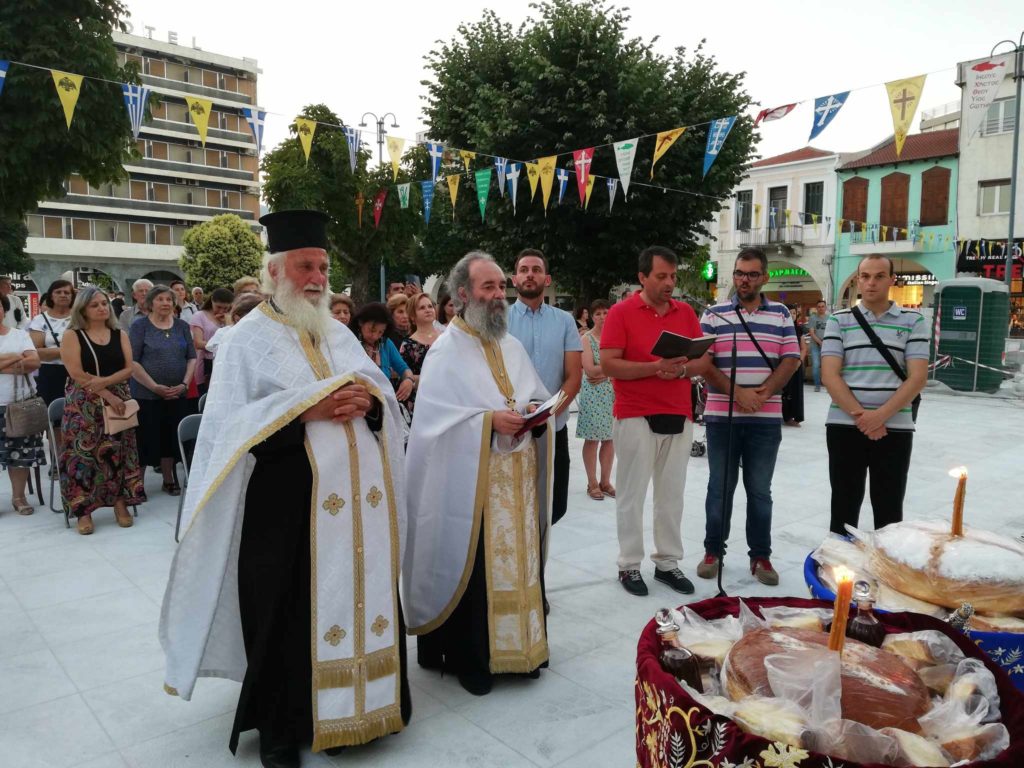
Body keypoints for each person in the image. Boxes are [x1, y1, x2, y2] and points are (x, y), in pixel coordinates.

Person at [160, 210, 410, 768]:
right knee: (284, 612)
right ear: (275, 271)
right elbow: (230, 429)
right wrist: (307, 410)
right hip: (285, 506)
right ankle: (280, 727)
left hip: (357, 509)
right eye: (306, 266)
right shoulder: (245, 340)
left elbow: (380, 395)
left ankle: (356, 715)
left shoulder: (338, 331)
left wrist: (369, 403)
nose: (318, 277)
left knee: (356, 601)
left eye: (322, 266)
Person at [404, 252, 552, 697]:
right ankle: (473, 658)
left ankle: (521, 651)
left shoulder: (510, 344)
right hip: (472, 486)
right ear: (462, 295)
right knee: (476, 568)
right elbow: (433, 425)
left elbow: (532, 393)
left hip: (517, 479)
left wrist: (532, 411)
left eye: (500, 287)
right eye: (488, 288)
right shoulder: (445, 351)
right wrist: (488, 422)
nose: (498, 296)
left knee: (517, 563)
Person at [600, 246, 711, 597]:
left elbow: (703, 360)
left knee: (671, 495)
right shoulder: (621, 312)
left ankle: (667, 563)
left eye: (673, 276)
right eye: (661, 276)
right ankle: (629, 565)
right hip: (635, 413)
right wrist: (654, 368)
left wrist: (680, 369)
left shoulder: (686, 312)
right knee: (631, 495)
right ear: (642, 277)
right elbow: (609, 364)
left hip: (678, 412)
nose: (669, 283)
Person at [696, 248, 802, 587]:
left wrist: (765, 391)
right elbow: (703, 364)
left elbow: (791, 360)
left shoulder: (782, 314)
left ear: (765, 277)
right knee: (719, 487)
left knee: (759, 490)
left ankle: (761, 555)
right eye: (740, 273)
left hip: (765, 417)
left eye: (752, 274)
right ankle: (713, 552)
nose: (745, 279)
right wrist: (737, 393)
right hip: (721, 415)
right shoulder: (714, 314)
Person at [822, 254, 929, 535]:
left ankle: (887, 574)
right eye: (865, 276)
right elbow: (830, 375)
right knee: (843, 506)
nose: (871, 283)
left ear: (891, 280)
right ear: (858, 280)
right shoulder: (839, 321)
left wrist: (879, 417)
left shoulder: (913, 321)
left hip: (894, 427)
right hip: (845, 425)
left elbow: (917, 377)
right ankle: (840, 572)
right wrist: (863, 418)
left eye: (879, 276)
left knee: (889, 510)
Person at [59, 287, 145, 534]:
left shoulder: (119, 334)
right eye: (95, 305)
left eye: (104, 304)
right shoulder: (72, 335)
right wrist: (105, 392)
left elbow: (129, 368)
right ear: (83, 309)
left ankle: (120, 503)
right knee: (82, 455)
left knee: (118, 450)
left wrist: (106, 385)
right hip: (84, 403)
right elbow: (75, 372)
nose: (101, 308)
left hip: (118, 399)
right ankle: (82, 510)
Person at [508, 248, 582, 530]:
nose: (530, 274)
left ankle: (538, 561)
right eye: (524, 269)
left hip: (554, 427)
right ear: (515, 278)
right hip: (512, 429)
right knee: (513, 503)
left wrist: (548, 414)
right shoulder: (500, 319)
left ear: (547, 279)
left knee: (555, 504)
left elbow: (574, 376)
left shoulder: (564, 320)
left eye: (536, 269)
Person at [129, 285, 196, 496]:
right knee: (144, 438)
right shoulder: (140, 326)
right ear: (150, 303)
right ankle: (136, 484)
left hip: (177, 393)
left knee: (170, 437)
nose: (166, 303)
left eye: (169, 299)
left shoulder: (182, 326)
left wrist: (184, 384)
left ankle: (169, 478)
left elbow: (192, 357)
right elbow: (132, 361)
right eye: (160, 299)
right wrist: (154, 386)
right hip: (146, 394)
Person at [0, 295, 44, 515]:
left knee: (20, 454)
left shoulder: (20, 335)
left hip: (19, 404)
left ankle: (19, 497)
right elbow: (24, 361)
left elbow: (34, 362)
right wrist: (15, 358)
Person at [577, 299, 615, 500]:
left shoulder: (615, 337)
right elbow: (590, 371)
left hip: (611, 394)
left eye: (606, 312)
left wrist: (607, 373)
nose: (602, 317)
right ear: (592, 317)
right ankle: (592, 482)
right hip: (593, 395)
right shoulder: (586, 339)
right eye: (598, 313)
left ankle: (605, 481)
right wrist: (612, 371)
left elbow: (622, 365)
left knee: (610, 439)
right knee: (592, 439)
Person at [350, 303, 415, 404]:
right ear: (360, 322)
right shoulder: (351, 343)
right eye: (372, 330)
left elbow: (403, 368)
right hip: (356, 403)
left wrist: (409, 380)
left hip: (383, 403)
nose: (375, 336)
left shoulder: (386, 344)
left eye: (381, 332)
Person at [29, 280, 75, 408]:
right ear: (51, 295)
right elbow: (36, 353)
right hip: (49, 374)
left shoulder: (80, 318)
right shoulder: (39, 320)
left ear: (72, 296)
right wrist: (69, 351)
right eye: (58, 292)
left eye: (67, 292)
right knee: (49, 415)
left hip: (77, 372)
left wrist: (51, 351)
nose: (63, 295)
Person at [398, 292, 439, 414]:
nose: (428, 310)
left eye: (430, 306)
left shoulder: (447, 337)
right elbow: (405, 375)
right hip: (422, 401)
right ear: (412, 316)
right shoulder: (408, 345)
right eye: (422, 308)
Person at [189, 288, 233, 395]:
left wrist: (227, 323)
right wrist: (220, 345)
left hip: (223, 361)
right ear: (212, 301)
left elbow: (233, 339)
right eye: (218, 307)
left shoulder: (229, 317)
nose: (221, 311)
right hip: (204, 362)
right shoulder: (199, 316)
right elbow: (198, 343)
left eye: (225, 308)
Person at [782, 304, 808, 427]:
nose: (792, 315)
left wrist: (799, 361)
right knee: (783, 391)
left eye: (793, 313)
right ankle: (783, 415)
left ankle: (793, 416)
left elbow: (803, 348)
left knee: (795, 392)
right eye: (789, 313)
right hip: (782, 365)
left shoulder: (798, 329)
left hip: (796, 365)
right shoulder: (780, 328)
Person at [808, 299, 829, 392]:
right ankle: (817, 385)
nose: (821, 308)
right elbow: (812, 333)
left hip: (827, 345)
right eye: (819, 307)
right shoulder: (813, 318)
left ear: (825, 307)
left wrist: (826, 343)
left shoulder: (830, 318)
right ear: (817, 308)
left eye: (822, 306)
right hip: (815, 345)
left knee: (827, 366)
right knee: (816, 365)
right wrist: (820, 343)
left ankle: (828, 385)